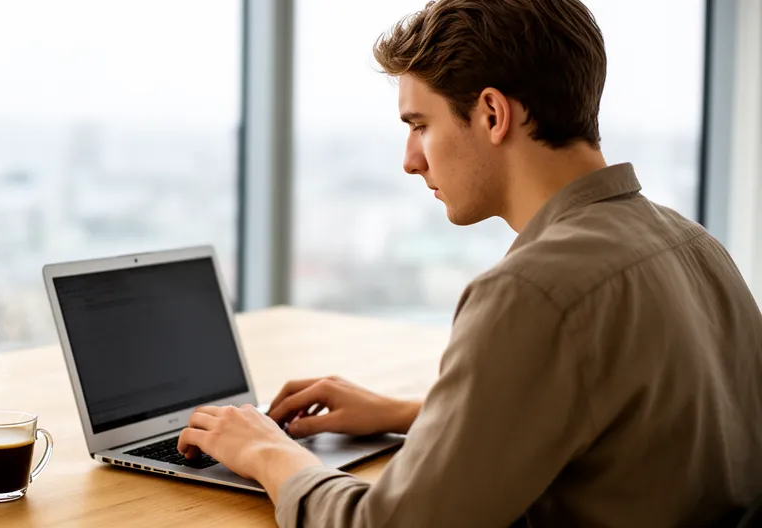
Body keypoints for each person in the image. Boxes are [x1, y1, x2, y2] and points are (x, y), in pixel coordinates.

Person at [176, 0, 762, 525]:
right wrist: (413, 414)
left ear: (491, 114)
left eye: (419, 125)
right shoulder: (695, 247)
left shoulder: (533, 291)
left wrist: (266, 451)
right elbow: (633, 426)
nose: (410, 161)